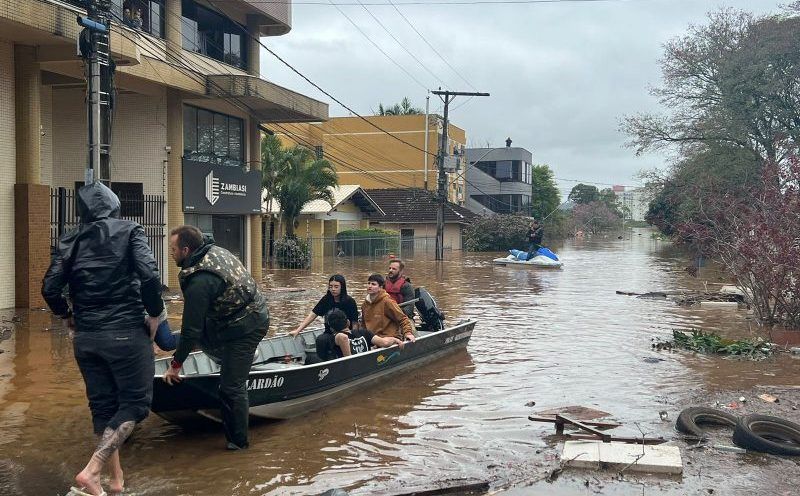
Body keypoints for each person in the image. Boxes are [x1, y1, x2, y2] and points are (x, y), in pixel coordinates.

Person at [42, 181, 163, 496]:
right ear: (114, 206)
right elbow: (150, 275)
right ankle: (92, 471)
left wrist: (68, 316)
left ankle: (115, 481)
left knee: (103, 408)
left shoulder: (69, 240)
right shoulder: (131, 230)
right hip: (126, 332)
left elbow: (50, 288)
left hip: (86, 337)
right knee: (135, 405)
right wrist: (154, 314)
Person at [163, 225, 269, 450]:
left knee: (231, 388)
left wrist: (175, 365)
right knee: (196, 336)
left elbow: (191, 330)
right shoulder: (209, 248)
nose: (170, 253)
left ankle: (238, 444)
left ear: (185, 250)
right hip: (231, 318)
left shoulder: (200, 281)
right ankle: (232, 361)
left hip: (249, 325)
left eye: (172, 249)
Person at [319, 309, 403, 362]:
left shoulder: (337, 337)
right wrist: (395, 339)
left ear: (331, 329)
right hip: (365, 365)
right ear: (348, 322)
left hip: (352, 368)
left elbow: (343, 338)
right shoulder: (364, 332)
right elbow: (385, 342)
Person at [290, 274, 358, 337]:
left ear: (342, 287)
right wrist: (298, 330)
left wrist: (353, 337)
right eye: (330, 287)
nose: (333, 289)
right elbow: (313, 315)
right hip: (329, 333)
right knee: (321, 340)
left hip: (345, 334)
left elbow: (354, 323)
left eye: (336, 287)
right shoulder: (326, 299)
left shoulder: (350, 301)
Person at [360, 274, 416, 343]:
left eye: (373, 284)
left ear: (380, 287)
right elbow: (363, 325)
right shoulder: (364, 305)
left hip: (389, 339)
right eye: (368, 283)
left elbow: (403, 319)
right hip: (373, 340)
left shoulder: (387, 302)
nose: (370, 286)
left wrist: (408, 333)